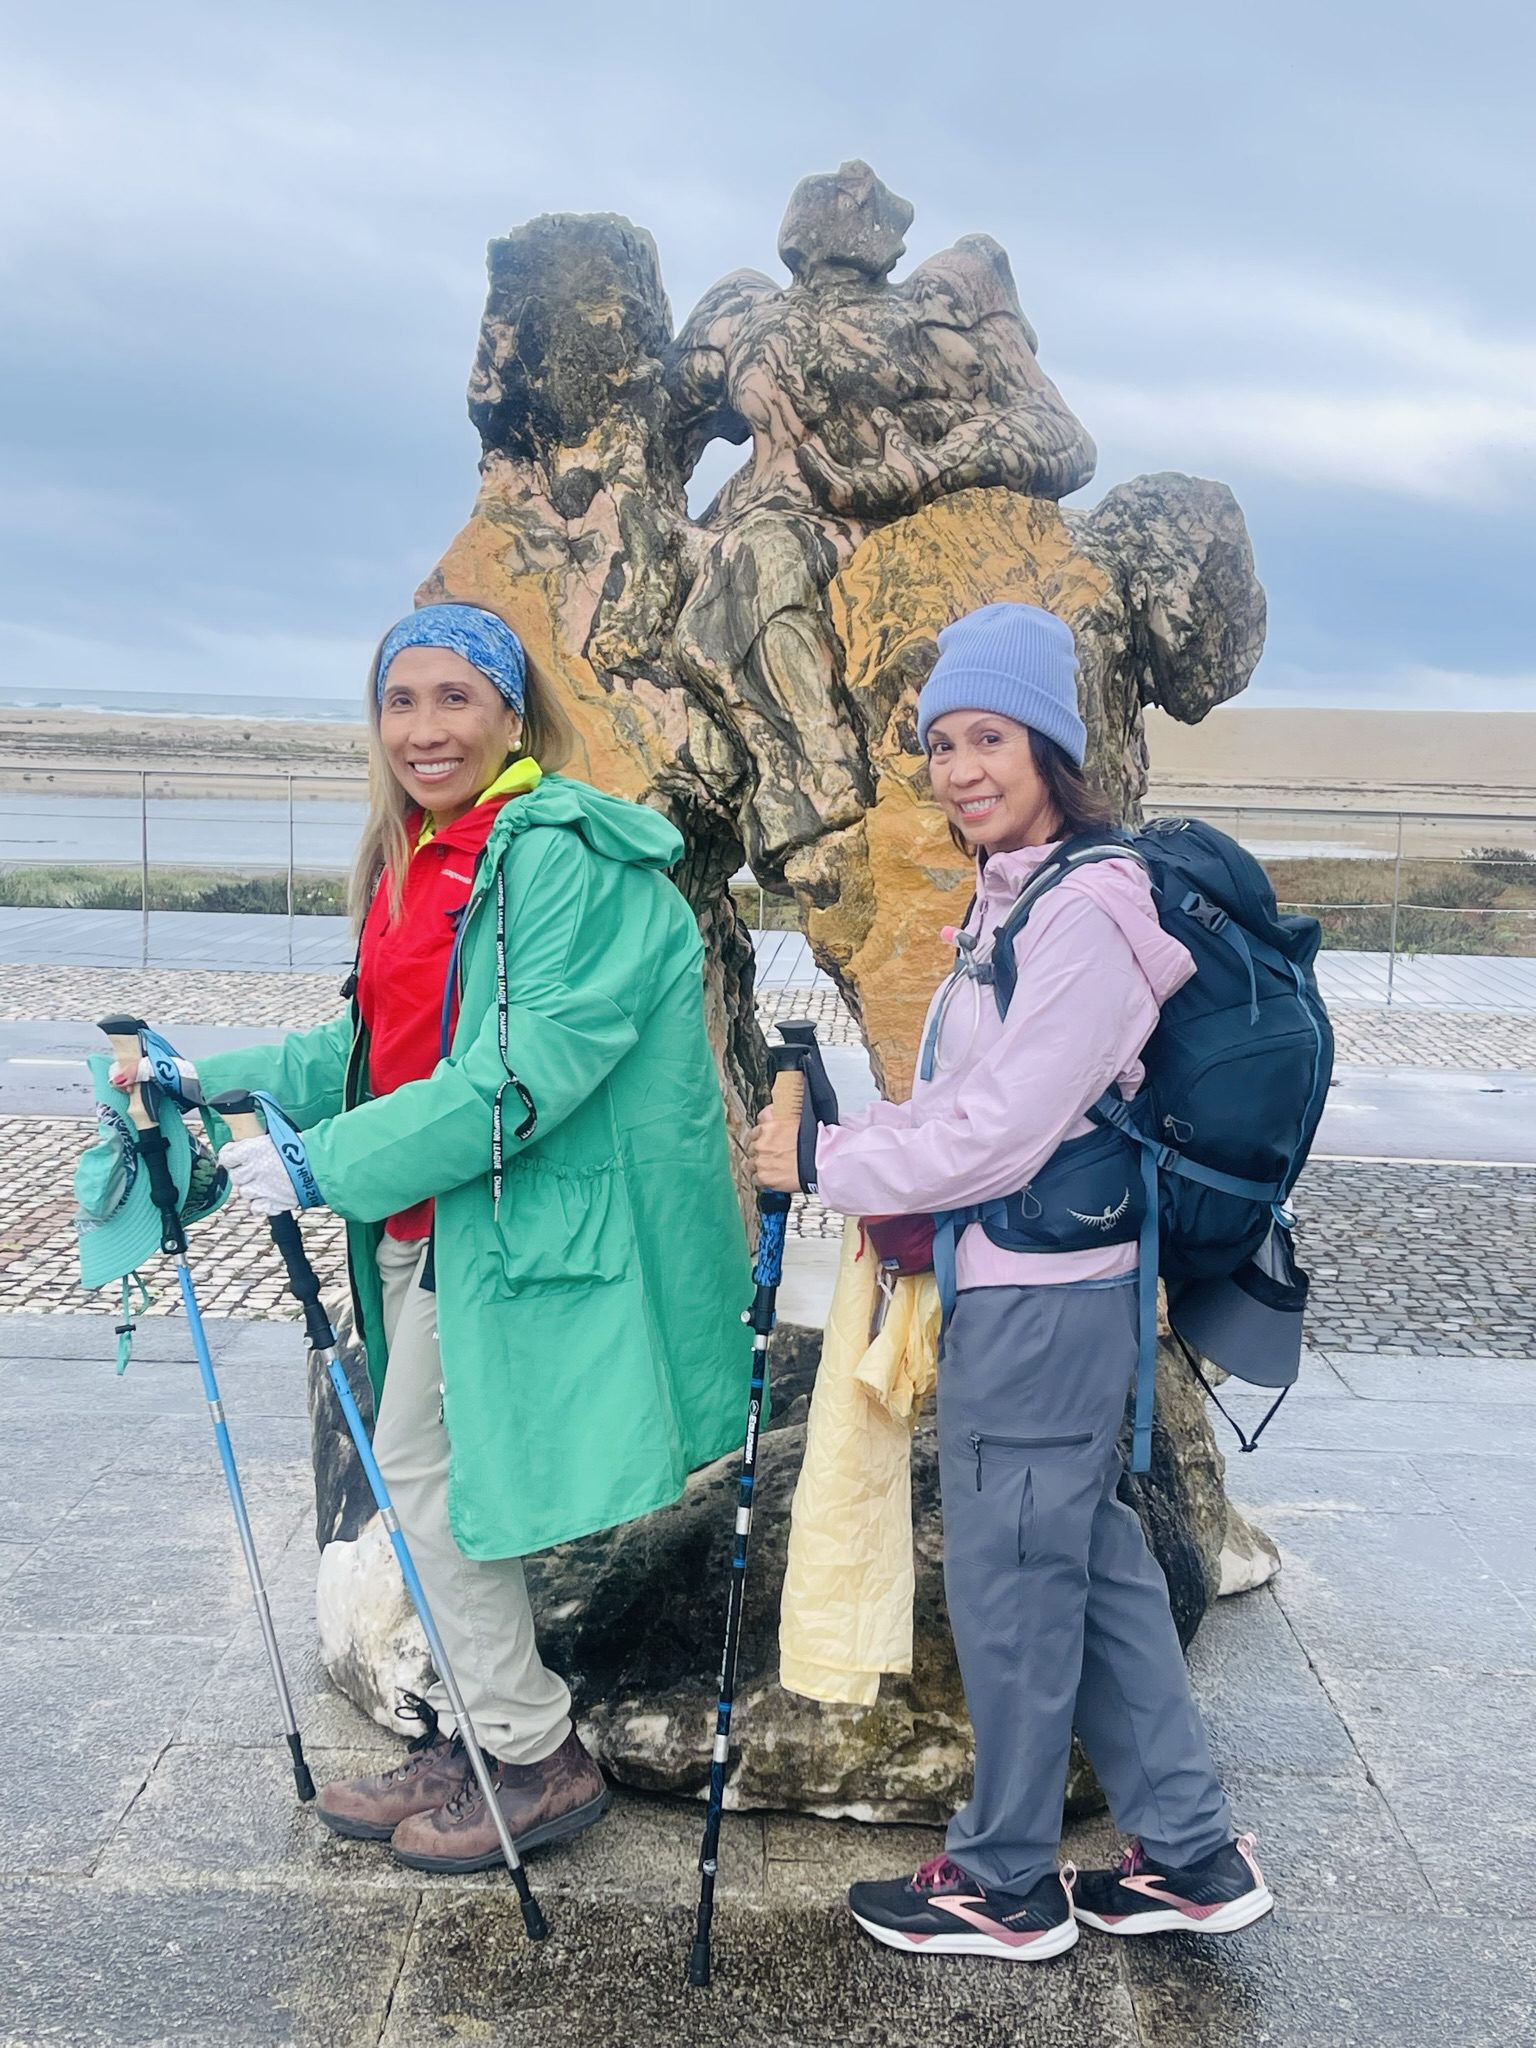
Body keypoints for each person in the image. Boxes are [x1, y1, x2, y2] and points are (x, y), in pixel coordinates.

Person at [120, 601, 750, 1871]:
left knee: (434, 1482)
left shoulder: (556, 856)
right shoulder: (418, 853)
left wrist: (316, 1165)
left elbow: (522, 1074)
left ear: (514, 712)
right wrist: (205, 1072)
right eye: (400, 701)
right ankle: (486, 1731)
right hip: (433, 1222)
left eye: (454, 697)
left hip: (515, 1227)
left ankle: (534, 1753)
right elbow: (363, 1051)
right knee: (435, 1486)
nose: (424, 727)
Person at [749, 602, 1272, 1960]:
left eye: (989, 738)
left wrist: (829, 1154)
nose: (962, 768)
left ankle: (1007, 1881)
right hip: (1033, 1278)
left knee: (1012, 1582)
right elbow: (990, 1108)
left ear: (1050, 745)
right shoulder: (1027, 897)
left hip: (1048, 1296)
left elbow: (1003, 1127)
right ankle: (1193, 1854)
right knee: (1086, 1562)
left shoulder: (1088, 911)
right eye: (942, 745)